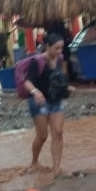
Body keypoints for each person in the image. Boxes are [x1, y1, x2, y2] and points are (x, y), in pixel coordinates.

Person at [22, 33, 75, 176]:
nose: (59, 52)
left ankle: (56, 168)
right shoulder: (37, 62)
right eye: (56, 48)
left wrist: (67, 87)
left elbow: (59, 80)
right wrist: (35, 92)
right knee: (42, 135)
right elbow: (27, 82)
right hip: (39, 102)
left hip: (55, 100)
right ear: (47, 46)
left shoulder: (59, 59)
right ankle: (34, 163)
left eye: (61, 48)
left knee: (58, 133)